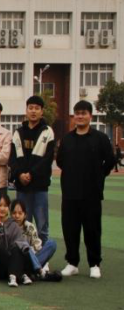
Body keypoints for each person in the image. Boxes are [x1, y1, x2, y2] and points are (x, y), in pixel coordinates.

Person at [57, 100, 115, 280]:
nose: (80, 116)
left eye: (84, 113)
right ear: (74, 116)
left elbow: (110, 161)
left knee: (92, 230)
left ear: (90, 115)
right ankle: (72, 263)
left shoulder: (100, 138)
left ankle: (94, 264)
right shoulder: (67, 139)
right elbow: (60, 161)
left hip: (92, 193)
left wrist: (99, 176)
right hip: (70, 193)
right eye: (77, 113)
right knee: (70, 229)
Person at [12, 95, 56, 245]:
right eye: (30, 108)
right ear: (26, 110)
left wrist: (30, 174)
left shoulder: (47, 132)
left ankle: (43, 256)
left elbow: (47, 159)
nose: (33, 111)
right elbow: (13, 158)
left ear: (42, 112)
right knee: (22, 224)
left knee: (42, 226)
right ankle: (25, 254)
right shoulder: (18, 132)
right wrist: (19, 175)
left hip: (39, 186)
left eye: (37, 108)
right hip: (22, 187)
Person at [10, 198, 56, 281]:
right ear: (11, 214)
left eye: (20, 213)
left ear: (25, 215)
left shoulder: (30, 227)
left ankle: (31, 271)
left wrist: (31, 252)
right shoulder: (8, 227)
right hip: (17, 262)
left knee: (52, 244)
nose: (17, 216)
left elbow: (37, 246)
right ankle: (37, 271)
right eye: (14, 213)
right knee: (25, 247)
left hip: (31, 260)